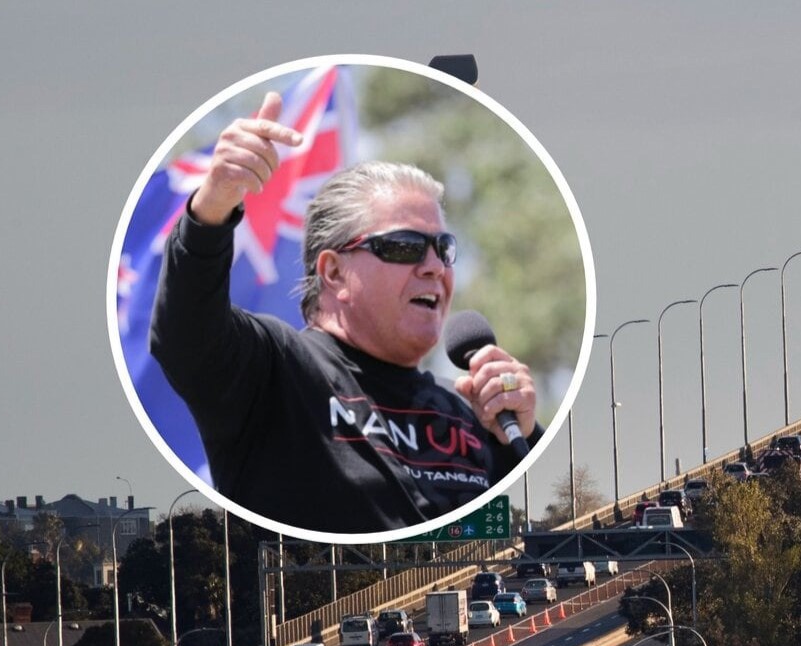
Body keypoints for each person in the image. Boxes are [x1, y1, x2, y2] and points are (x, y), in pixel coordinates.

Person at [149, 91, 542, 534]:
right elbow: (186, 335)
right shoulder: (279, 371)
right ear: (334, 272)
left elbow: (531, 531)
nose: (433, 266)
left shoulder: (470, 414)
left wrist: (521, 433)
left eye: (443, 248)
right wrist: (213, 206)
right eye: (404, 246)